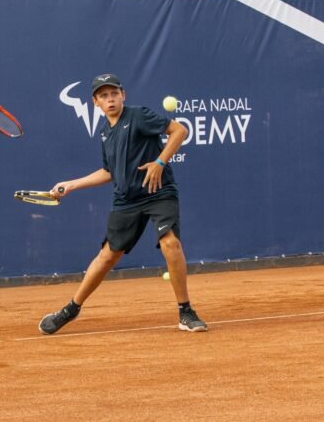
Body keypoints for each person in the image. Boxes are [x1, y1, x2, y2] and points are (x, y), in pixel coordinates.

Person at [39, 73, 207, 334]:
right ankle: (71, 308)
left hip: (158, 191)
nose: (110, 99)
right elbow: (109, 172)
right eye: (104, 96)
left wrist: (160, 162)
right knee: (107, 256)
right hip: (126, 200)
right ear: (96, 102)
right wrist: (72, 184)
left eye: (114, 94)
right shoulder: (106, 134)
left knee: (170, 243)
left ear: (123, 95)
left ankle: (185, 311)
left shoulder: (138, 115)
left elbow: (179, 131)